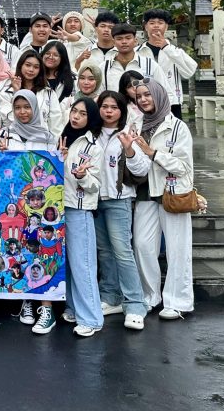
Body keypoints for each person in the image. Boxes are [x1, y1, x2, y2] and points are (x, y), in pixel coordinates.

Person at [130, 78, 195, 320]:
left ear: (158, 95)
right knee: (142, 245)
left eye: (148, 94)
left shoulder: (177, 127)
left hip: (172, 193)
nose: (143, 99)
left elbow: (183, 167)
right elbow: (134, 162)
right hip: (145, 192)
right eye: (139, 96)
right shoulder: (135, 125)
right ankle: (150, 296)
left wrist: (153, 153)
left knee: (177, 248)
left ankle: (178, 301)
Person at [0, 90, 58, 334]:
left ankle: (46, 308)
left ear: (35, 108)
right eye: (18, 107)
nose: (22, 112)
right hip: (18, 207)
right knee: (23, 251)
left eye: (27, 107)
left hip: (41, 207)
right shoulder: (5, 134)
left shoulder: (47, 137)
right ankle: (27, 301)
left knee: (42, 251)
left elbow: (53, 168)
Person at [95, 90, 151, 331]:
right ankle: (111, 296)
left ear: (121, 110)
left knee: (122, 252)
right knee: (104, 251)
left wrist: (129, 150)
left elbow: (142, 169)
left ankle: (136, 304)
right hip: (95, 200)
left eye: (114, 107)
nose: (108, 111)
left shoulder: (128, 133)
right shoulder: (91, 133)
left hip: (119, 200)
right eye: (104, 106)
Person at [59, 97, 104, 338]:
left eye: (83, 114)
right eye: (74, 111)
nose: (76, 116)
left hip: (79, 208)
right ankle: (73, 309)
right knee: (66, 263)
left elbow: (96, 185)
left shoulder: (93, 146)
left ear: (91, 118)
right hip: (57, 207)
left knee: (83, 264)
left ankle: (91, 318)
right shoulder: (61, 138)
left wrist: (82, 176)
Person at [137, 9, 199, 118]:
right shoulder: (137, 52)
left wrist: (166, 48)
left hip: (172, 103)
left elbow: (190, 71)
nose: (156, 26)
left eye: (160, 23)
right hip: (144, 103)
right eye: (152, 23)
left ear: (166, 27)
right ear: (146, 27)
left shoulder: (174, 51)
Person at [0, 49, 64, 137]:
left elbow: (56, 124)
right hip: (15, 140)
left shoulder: (48, 93)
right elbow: (8, 119)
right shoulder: (7, 93)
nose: (31, 70)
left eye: (36, 67)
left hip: (42, 141)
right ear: (20, 65)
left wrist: (53, 142)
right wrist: (16, 92)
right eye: (28, 65)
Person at [103, 23, 169, 93]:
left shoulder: (150, 65)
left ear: (135, 40)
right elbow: (99, 95)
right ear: (113, 42)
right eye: (119, 39)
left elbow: (166, 92)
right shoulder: (104, 67)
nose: (124, 42)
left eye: (128, 38)